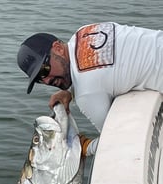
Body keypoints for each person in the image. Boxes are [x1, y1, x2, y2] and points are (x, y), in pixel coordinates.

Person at [17, 22, 163, 156]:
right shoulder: (84, 32)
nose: (47, 80)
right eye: (39, 80)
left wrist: (85, 148)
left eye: (44, 70)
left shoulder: (86, 93)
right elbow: (103, 71)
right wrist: (71, 92)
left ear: (58, 48)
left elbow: (118, 139)